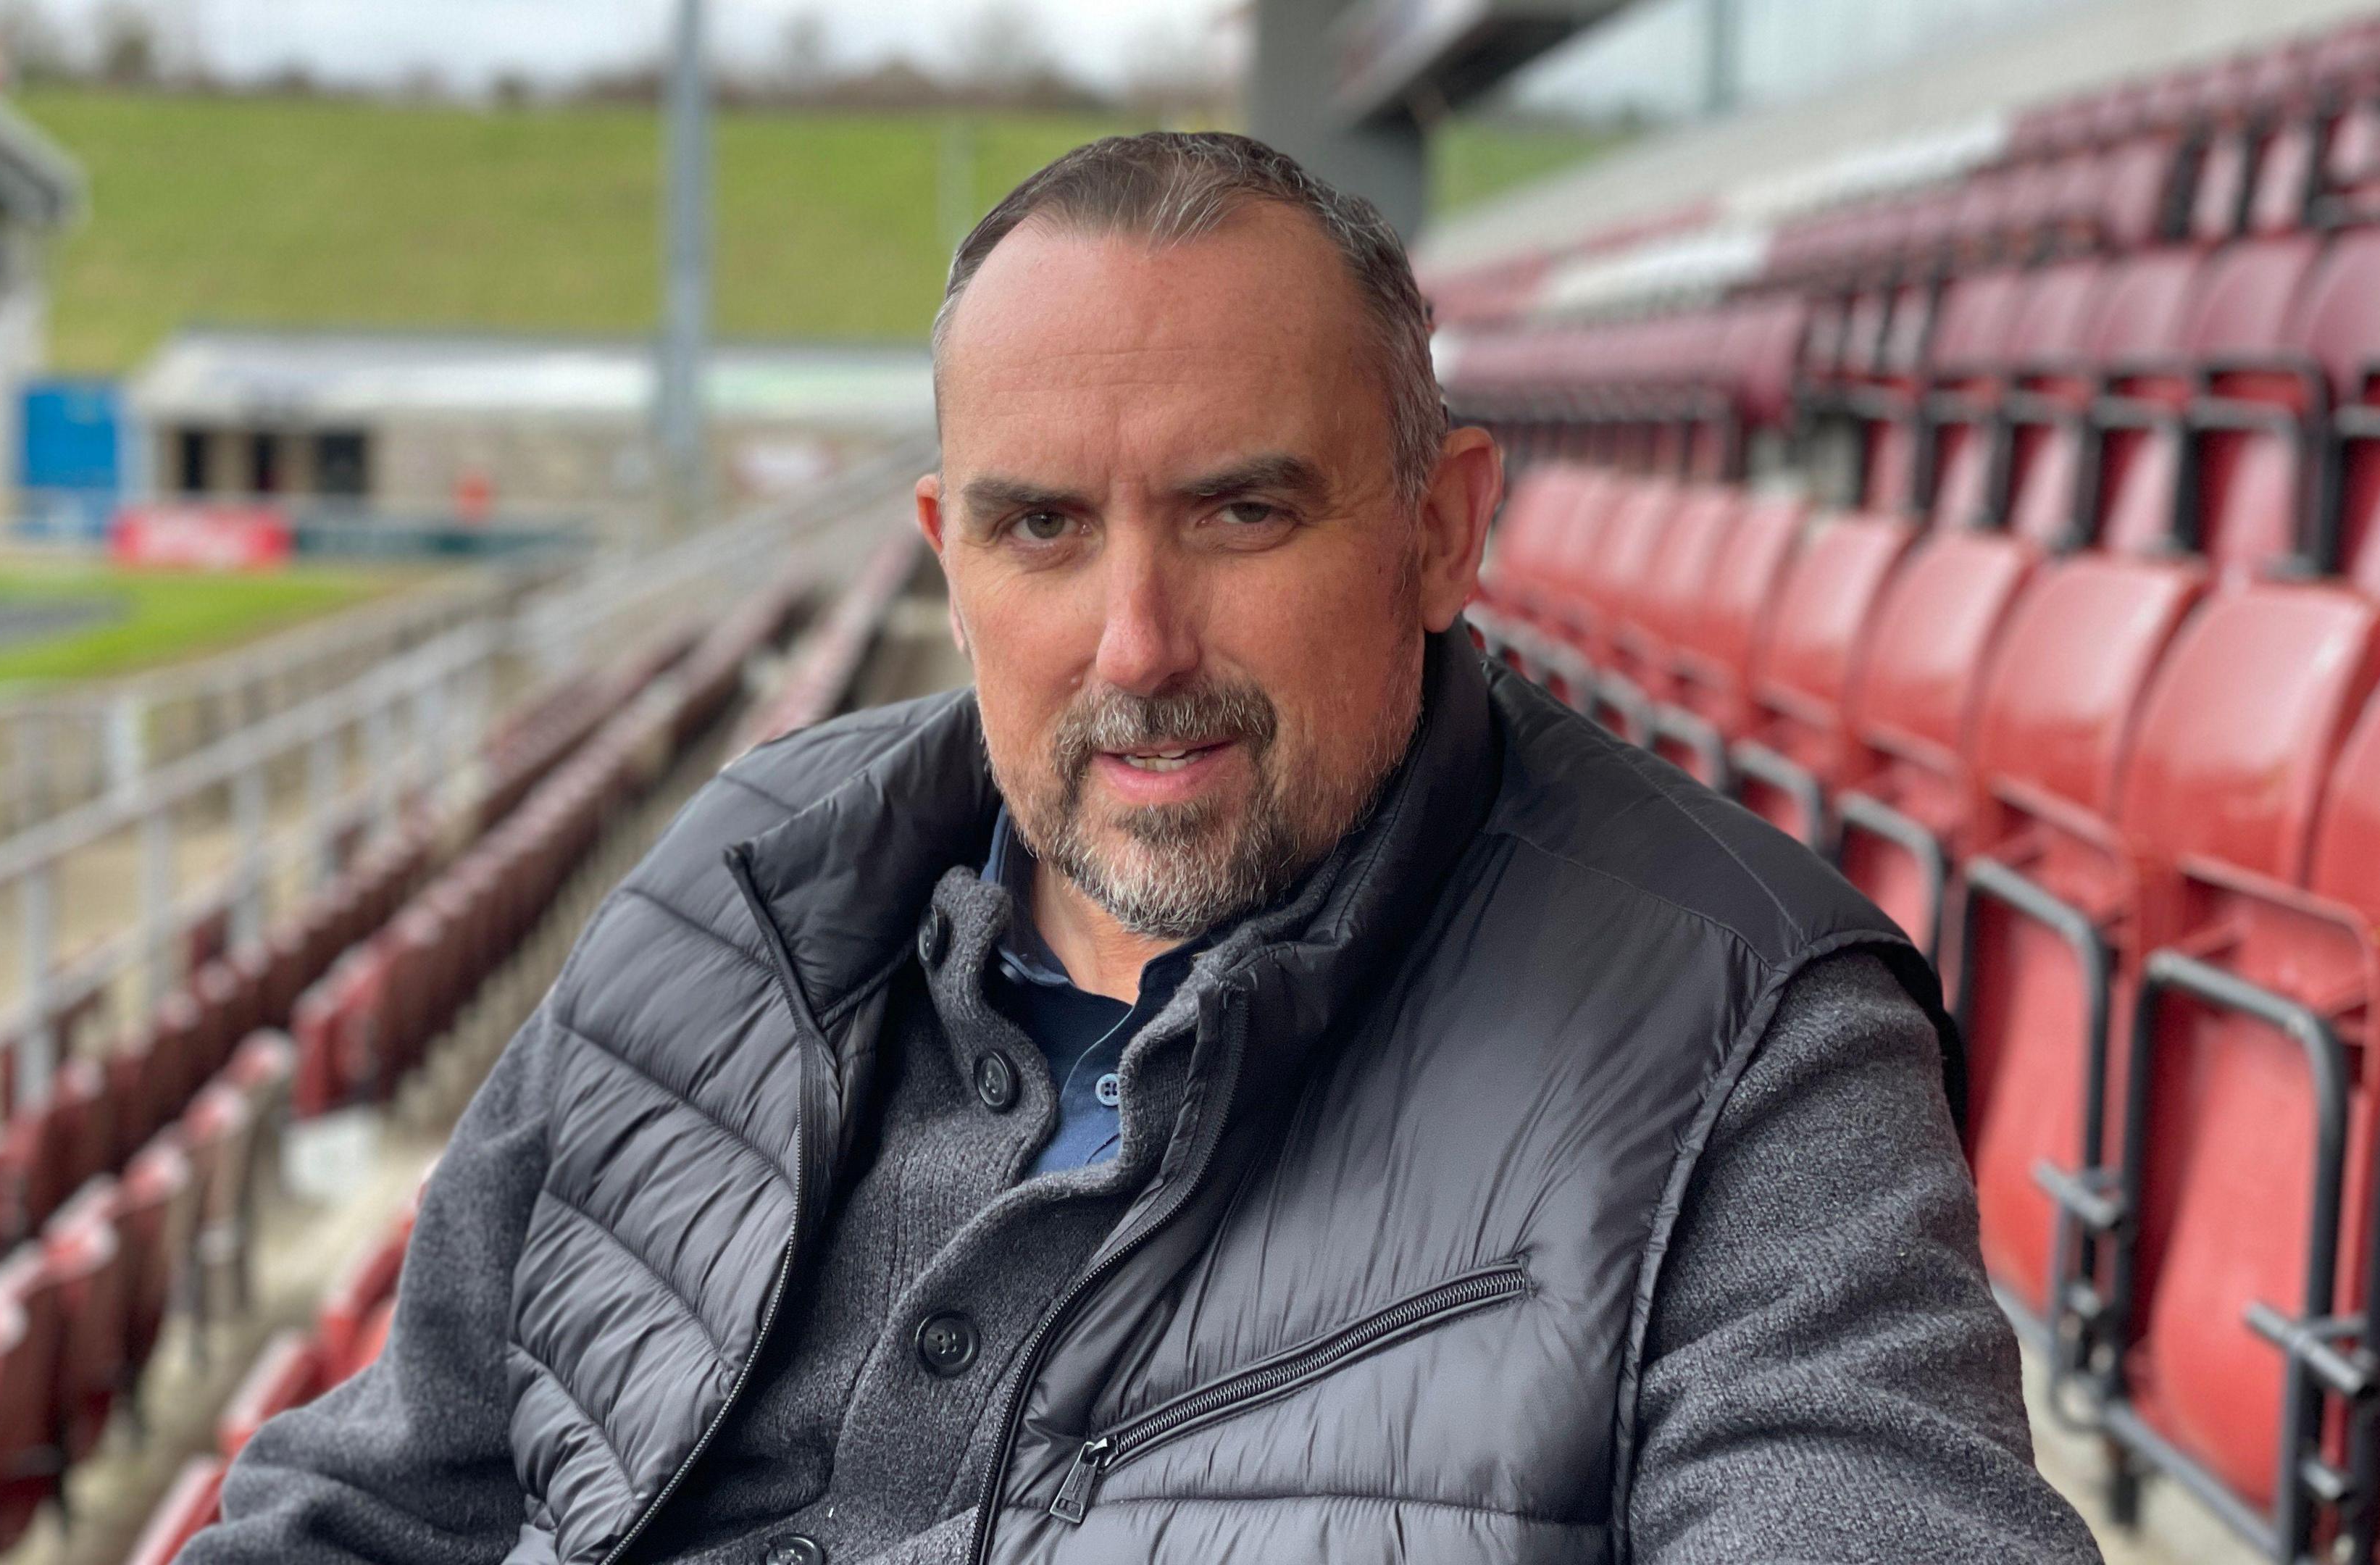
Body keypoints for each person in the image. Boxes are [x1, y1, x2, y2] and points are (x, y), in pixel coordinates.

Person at [179, 132, 2102, 1565]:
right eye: (1041, 531)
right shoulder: (741, 881)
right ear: (944, 546)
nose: (1137, 648)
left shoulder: (1744, 1034)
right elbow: (383, 1493)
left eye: (1242, 514)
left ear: (1445, 527)